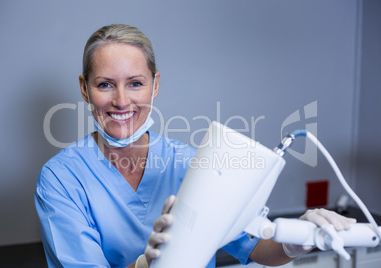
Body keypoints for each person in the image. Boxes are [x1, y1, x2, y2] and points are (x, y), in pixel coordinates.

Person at [35, 24, 356, 268]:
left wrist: (300, 238)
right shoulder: (61, 179)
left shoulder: (193, 163)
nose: (121, 101)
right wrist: (146, 264)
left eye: (135, 83)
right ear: (84, 88)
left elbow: (257, 246)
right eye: (105, 85)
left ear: (155, 85)